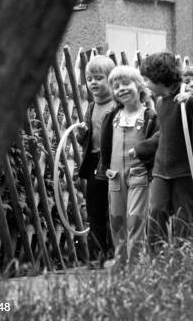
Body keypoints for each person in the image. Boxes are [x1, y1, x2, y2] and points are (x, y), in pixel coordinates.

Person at [139, 52, 193, 249]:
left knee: (183, 217)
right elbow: (164, 134)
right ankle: (157, 259)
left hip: (185, 170)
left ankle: (182, 260)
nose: (145, 84)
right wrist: (142, 149)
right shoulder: (160, 102)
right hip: (161, 169)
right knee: (156, 211)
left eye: (147, 79)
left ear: (159, 78)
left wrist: (191, 100)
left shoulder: (186, 99)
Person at [96, 65, 158, 267]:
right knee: (116, 220)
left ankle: (135, 264)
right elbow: (104, 144)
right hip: (115, 175)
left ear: (139, 86)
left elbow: (156, 144)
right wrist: (103, 167)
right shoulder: (112, 117)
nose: (121, 89)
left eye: (126, 84)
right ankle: (121, 261)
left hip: (139, 174)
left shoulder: (149, 117)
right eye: (116, 86)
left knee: (135, 220)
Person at [77, 55, 116, 263]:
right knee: (95, 211)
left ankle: (116, 254)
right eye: (90, 78)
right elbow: (84, 138)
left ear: (110, 80)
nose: (93, 82)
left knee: (114, 210)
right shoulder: (91, 107)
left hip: (111, 162)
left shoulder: (116, 106)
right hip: (93, 162)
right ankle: (97, 257)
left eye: (99, 78)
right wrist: (81, 133)